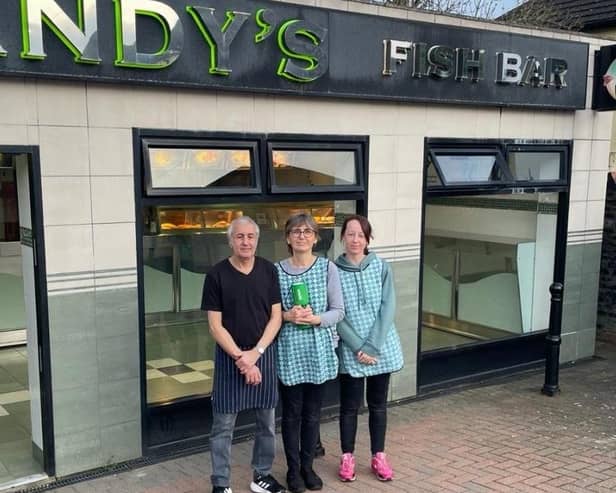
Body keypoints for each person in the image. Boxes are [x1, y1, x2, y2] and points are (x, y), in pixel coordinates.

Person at [202, 216, 286, 493]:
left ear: (257, 240)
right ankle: (221, 484)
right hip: (231, 358)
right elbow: (215, 326)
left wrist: (257, 353)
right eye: (240, 236)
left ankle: (261, 475)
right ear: (230, 240)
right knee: (223, 427)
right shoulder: (216, 275)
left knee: (267, 424)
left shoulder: (268, 270)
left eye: (250, 236)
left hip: (263, 354)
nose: (246, 241)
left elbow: (276, 317)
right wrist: (243, 358)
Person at [275, 213, 345, 493]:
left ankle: (308, 467)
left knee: (312, 414)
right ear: (287, 238)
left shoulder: (327, 268)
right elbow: (269, 313)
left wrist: (316, 319)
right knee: (291, 413)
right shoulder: (275, 270)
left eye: (307, 231)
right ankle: (293, 471)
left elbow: (338, 311)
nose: (301, 236)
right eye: (295, 231)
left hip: (318, 351)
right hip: (289, 350)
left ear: (316, 237)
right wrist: (287, 315)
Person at [334, 215, 404, 483]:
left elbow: (388, 307)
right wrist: (357, 346)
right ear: (342, 237)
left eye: (360, 235)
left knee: (378, 405)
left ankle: (379, 456)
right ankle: (347, 457)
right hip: (352, 349)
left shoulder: (381, 267)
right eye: (350, 234)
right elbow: (336, 313)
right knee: (349, 407)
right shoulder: (333, 270)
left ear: (368, 239)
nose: (355, 240)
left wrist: (372, 346)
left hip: (380, 347)